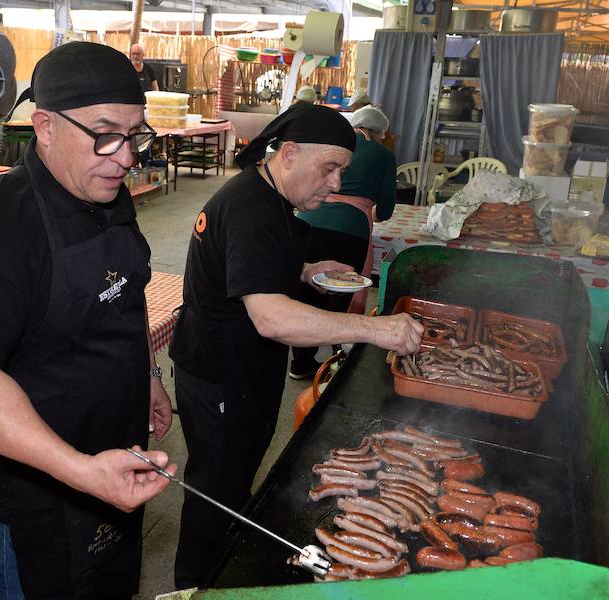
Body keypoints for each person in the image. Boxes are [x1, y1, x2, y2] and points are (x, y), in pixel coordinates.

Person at [0, 42, 174, 600]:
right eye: (106, 133)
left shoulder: (104, 187)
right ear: (45, 126)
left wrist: (147, 374)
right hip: (43, 481)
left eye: (136, 135)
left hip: (115, 456)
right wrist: (82, 472)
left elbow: (125, 293)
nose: (127, 157)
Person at [169, 103, 423, 590]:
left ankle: (224, 570)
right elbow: (272, 317)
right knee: (213, 495)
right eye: (329, 169)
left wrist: (309, 269)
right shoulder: (249, 209)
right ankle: (194, 586)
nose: (336, 184)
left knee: (234, 483)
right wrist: (375, 329)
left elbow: (255, 268)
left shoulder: (272, 196)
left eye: (342, 172)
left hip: (244, 369)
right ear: (288, 154)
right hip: (222, 373)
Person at [290, 105, 398, 378]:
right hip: (350, 228)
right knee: (340, 292)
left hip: (308, 219)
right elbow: (385, 209)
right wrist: (368, 207)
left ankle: (299, 363)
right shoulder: (383, 155)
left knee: (307, 290)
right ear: (378, 133)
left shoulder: (333, 145)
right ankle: (339, 360)